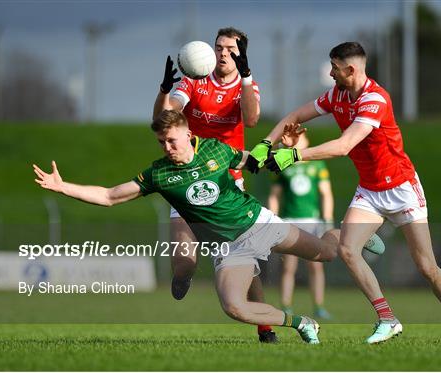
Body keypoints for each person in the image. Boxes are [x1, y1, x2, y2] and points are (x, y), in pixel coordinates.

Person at [33, 110, 342, 345]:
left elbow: (255, 163)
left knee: (326, 253)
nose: (167, 147)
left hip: (259, 224)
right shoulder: (159, 173)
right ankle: (303, 323)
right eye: (161, 142)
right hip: (229, 248)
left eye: (172, 140)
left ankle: (350, 236)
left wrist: (281, 150)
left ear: (187, 133)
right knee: (234, 306)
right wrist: (64, 188)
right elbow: (110, 196)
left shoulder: (216, 150)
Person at [247, 42, 441, 346]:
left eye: (334, 67)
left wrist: (294, 156)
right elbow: (297, 114)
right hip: (370, 190)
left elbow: (343, 146)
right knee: (349, 250)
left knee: (427, 267)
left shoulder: (374, 100)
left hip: (402, 189)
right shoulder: (337, 95)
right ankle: (388, 319)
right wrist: (266, 142)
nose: (330, 72)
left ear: (350, 70)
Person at [152, 27, 276, 342]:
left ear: (241, 54)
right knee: (184, 263)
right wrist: (164, 90)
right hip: (187, 179)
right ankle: (182, 278)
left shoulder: (247, 85)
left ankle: (266, 328)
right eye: (218, 46)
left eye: (230, 48)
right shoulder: (194, 80)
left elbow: (250, 120)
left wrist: (246, 77)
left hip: (228, 183)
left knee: (247, 263)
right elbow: (166, 118)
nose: (222, 52)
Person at [267, 132, 334, 320]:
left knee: (316, 266)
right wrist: (273, 218)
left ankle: (319, 306)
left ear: (307, 140)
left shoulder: (317, 164)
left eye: (301, 138)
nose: (296, 141)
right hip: (289, 221)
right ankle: (286, 306)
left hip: (312, 221)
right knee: (289, 267)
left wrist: (327, 219)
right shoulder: (284, 165)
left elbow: (326, 193)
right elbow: (274, 195)